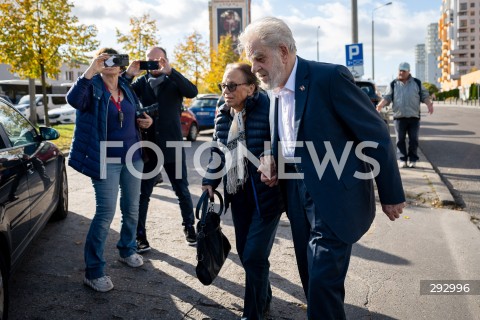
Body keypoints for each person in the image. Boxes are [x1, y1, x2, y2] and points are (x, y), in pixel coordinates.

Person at [238, 17, 406, 319]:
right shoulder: (273, 89)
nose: (255, 69)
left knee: (322, 284)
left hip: (335, 197)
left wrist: (391, 193)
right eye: (252, 61)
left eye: (259, 58)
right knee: (311, 281)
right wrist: (274, 159)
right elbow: (287, 137)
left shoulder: (329, 78)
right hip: (297, 198)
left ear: (284, 51)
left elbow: (376, 134)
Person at [67, 48, 153, 292]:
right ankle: (94, 272)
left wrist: (147, 121)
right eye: (106, 60)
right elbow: (73, 101)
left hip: (133, 158)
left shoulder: (126, 87)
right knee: (105, 214)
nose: (112, 64)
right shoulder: (91, 88)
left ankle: (127, 249)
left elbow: (136, 113)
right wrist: (90, 70)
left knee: (132, 209)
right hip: (105, 160)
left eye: (116, 60)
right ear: (98, 63)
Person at [202, 63, 283, 320]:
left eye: (232, 85)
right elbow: (218, 150)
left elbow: (282, 140)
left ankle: (253, 314)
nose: (226, 90)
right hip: (237, 194)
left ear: (250, 88)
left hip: (266, 195)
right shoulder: (222, 111)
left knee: (255, 255)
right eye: (223, 85)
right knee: (249, 255)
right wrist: (210, 180)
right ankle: (264, 298)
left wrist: (273, 158)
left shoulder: (269, 106)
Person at [125, 47, 198, 251]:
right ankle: (140, 236)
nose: (154, 64)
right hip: (149, 146)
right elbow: (121, 94)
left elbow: (192, 91)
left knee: (182, 190)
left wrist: (171, 71)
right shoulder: (140, 83)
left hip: (173, 144)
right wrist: (129, 74)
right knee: (143, 193)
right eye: (150, 60)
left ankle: (189, 228)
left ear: (166, 60)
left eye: (159, 60)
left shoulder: (173, 80)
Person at [376, 62, 434, 168]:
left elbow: (424, 95)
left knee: (414, 140)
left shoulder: (416, 82)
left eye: (404, 71)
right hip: (399, 117)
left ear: (408, 72)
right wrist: (380, 105)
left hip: (414, 117)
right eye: (400, 70)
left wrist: (429, 104)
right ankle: (402, 159)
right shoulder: (393, 83)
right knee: (400, 140)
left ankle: (413, 159)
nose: (401, 72)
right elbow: (387, 97)